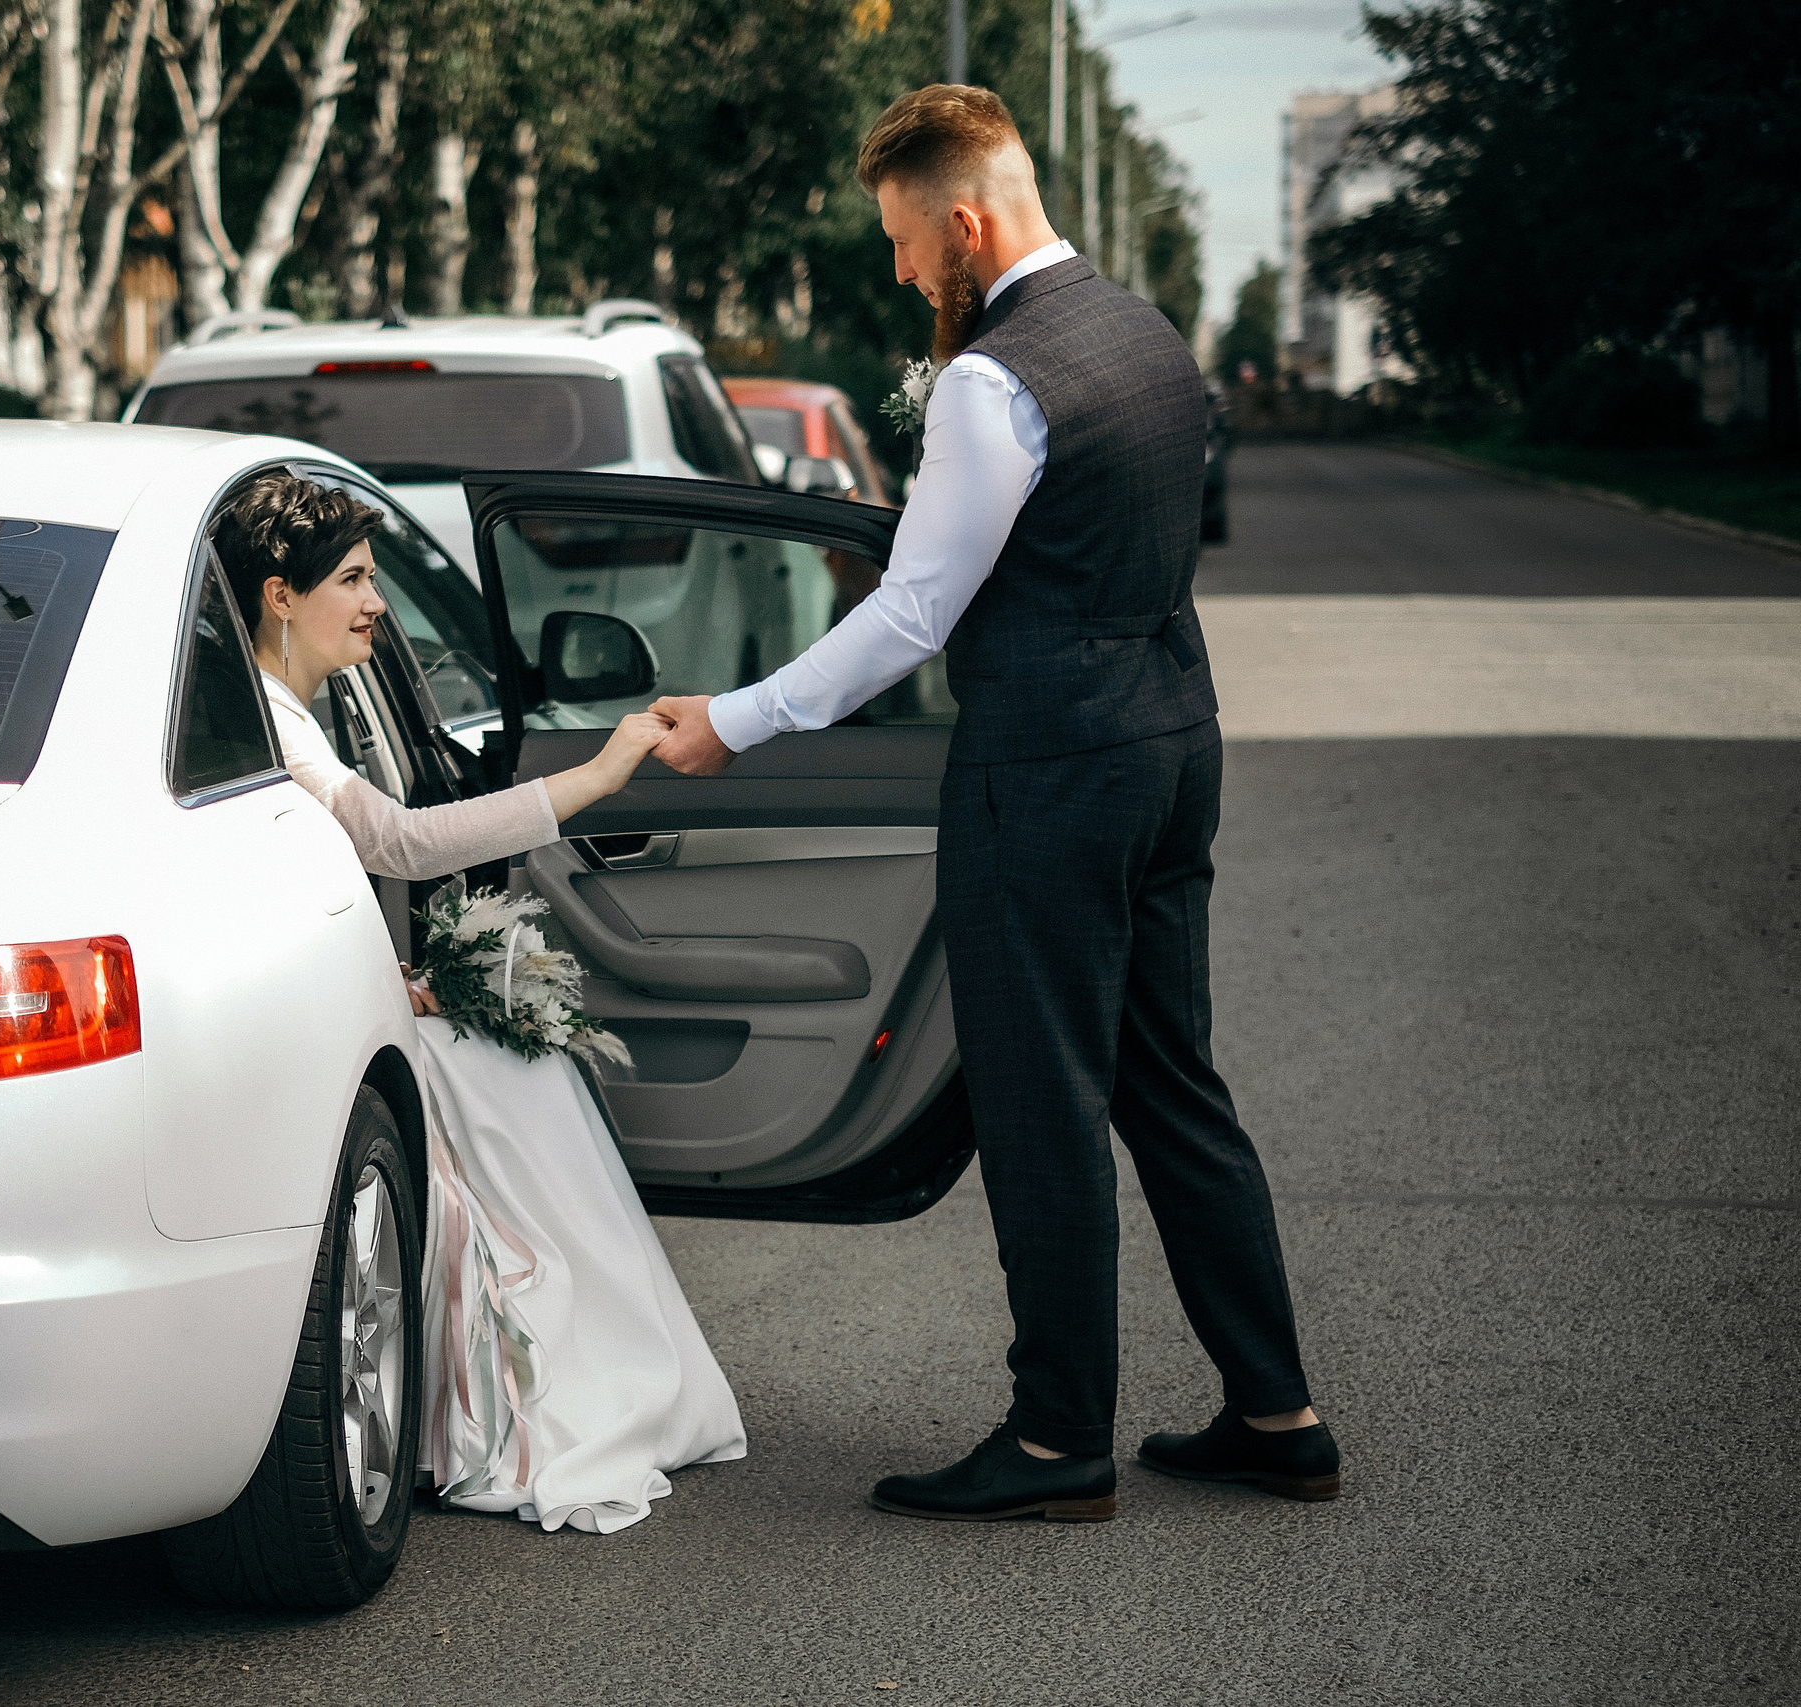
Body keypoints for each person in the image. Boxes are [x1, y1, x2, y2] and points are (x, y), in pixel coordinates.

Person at [647, 85, 1340, 1522]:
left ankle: (1055, 1442)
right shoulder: (1141, 332)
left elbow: (912, 614)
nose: (902, 273)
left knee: (1045, 1105)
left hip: (1048, 770)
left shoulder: (992, 379)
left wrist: (738, 719)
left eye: (906, 243)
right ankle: (1278, 1408)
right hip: (1169, 743)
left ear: (964, 221)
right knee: (1173, 1084)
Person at [218, 472, 748, 1534]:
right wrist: (596, 778)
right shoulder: (276, 724)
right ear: (280, 597)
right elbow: (397, 845)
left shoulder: (288, 709)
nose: (378, 604)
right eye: (355, 581)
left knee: (522, 1069)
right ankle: (539, 1387)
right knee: (521, 1079)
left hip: (352, 996)